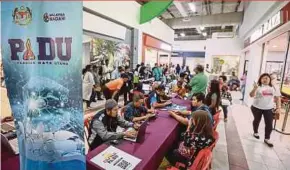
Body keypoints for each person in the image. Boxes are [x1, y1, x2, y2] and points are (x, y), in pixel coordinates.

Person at [249, 73, 281, 147]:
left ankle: (267, 138)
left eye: (267, 78)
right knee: (257, 120)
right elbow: (251, 95)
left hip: (268, 109)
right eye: (263, 78)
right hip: (256, 107)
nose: (265, 79)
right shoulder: (258, 86)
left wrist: (278, 108)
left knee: (269, 124)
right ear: (260, 79)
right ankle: (255, 132)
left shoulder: (274, 87)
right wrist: (254, 88)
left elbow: (278, 98)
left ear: (270, 79)